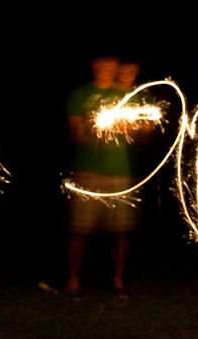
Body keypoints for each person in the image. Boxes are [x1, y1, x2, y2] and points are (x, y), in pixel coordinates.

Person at [63, 54, 147, 301]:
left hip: (119, 171)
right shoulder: (80, 95)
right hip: (87, 170)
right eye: (102, 65)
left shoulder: (126, 95)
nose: (107, 70)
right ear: (94, 67)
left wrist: (133, 127)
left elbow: (141, 131)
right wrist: (96, 126)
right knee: (80, 229)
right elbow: (75, 133)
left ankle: (118, 280)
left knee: (121, 230)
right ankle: (73, 281)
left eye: (112, 65)